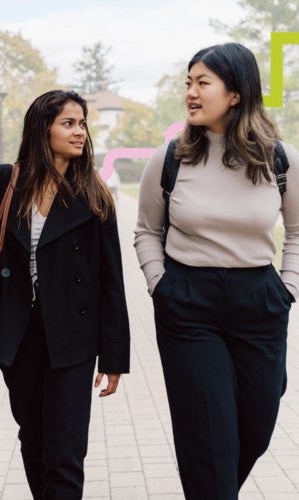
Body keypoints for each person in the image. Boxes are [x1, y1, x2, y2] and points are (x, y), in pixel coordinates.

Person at [0, 89, 130, 499]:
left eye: (82, 123)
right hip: (19, 332)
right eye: (68, 123)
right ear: (41, 128)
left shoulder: (95, 194)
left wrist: (114, 355)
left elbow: (110, 280)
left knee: (66, 452)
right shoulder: (3, 181)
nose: (79, 132)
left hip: (74, 336)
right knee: (33, 439)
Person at [134, 43, 299, 499]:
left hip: (260, 301)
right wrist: (159, 285)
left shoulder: (280, 160)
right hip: (189, 305)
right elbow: (147, 230)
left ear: (235, 93)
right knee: (207, 436)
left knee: (257, 428)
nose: (191, 91)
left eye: (202, 82)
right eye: (188, 82)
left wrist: (287, 289)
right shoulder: (169, 158)